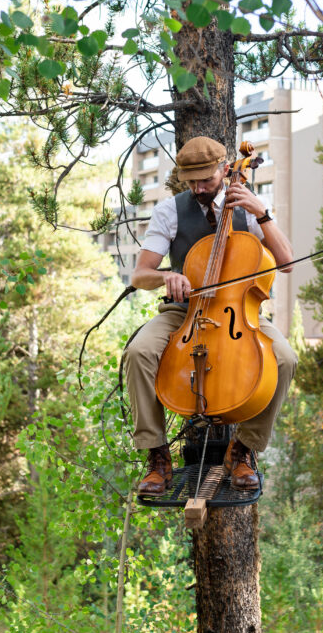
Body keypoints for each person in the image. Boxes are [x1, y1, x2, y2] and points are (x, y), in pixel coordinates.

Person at [124, 135, 298, 495]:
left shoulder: (249, 210)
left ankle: (244, 450)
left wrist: (261, 214)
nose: (199, 188)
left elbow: (287, 263)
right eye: (192, 181)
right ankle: (156, 455)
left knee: (285, 359)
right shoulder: (170, 210)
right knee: (139, 352)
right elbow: (140, 275)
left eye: (206, 179)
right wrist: (167, 276)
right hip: (184, 313)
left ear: (224, 169)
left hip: (239, 312)